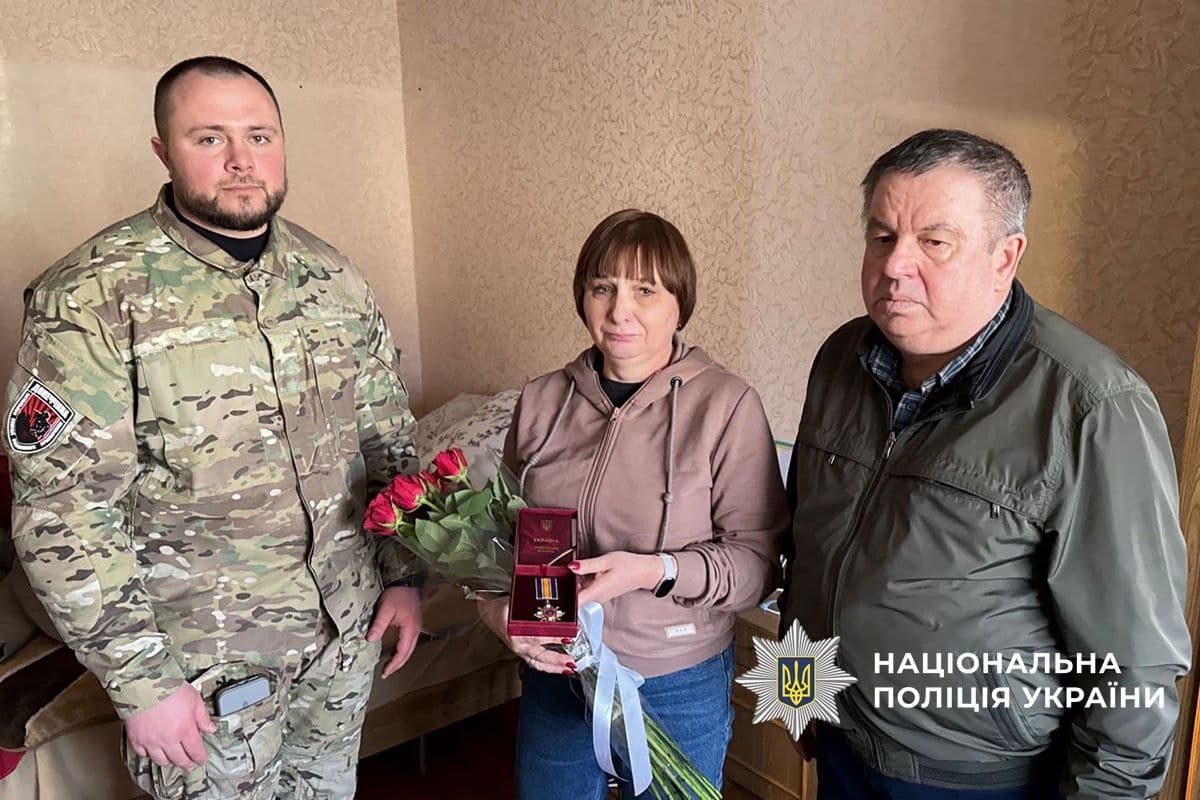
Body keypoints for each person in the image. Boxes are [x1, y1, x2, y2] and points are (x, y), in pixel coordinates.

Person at [3, 56, 424, 800]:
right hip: (203, 667)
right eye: (209, 138)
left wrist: (405, 576)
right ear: (163, 151)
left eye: (260, 136)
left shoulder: (333, 279)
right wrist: (141, 683)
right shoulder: (92, 297)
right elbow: (63, 511)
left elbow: (387, 442)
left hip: (344, 638)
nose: (241, 160)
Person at [780, 128, 1191, 799]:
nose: (895, 265)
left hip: (980, 780)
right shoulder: (840, 359)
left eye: (934, 242)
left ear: (1006, 255)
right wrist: (796, 693)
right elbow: (812, 550)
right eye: (882, 237)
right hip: (840, 745)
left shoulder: (1090, 405)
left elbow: (1134, 669)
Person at [477, 209, 789, 798]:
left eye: (645, 290)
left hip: (677, 680)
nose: (620, 310)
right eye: (603, 288)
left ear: (679, 304)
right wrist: (497, 615)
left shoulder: (727, 407)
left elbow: (757, 566)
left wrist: (653, 571)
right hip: (558, 672)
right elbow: (498, 539)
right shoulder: (541, 401)